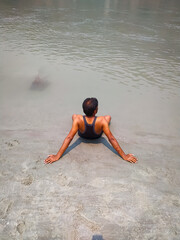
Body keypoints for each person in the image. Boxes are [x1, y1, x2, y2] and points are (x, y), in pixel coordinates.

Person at [44, 97, 137, 164]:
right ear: (95, 111)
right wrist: (124, 156)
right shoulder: (102, 121)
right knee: (108, 117)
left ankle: (79, 123)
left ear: (83, 110)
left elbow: (69, 137)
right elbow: (111, 138)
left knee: (74, 116)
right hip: (97, 135)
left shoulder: (78, 119)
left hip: (82, 134)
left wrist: (57, 156)